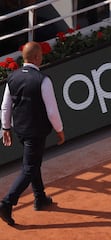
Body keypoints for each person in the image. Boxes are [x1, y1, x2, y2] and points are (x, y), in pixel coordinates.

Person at [0, 42, 65, 226]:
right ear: (37, 57)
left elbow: (6, 106)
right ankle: (6, 202)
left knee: (34, 162)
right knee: (29, 167)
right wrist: (60, 131)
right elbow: (52, 111)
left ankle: (40, 197)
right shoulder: (43, 80)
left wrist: (6, 128)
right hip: (36, 132)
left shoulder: (12, 77)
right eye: (41, 55)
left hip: (20, 130)